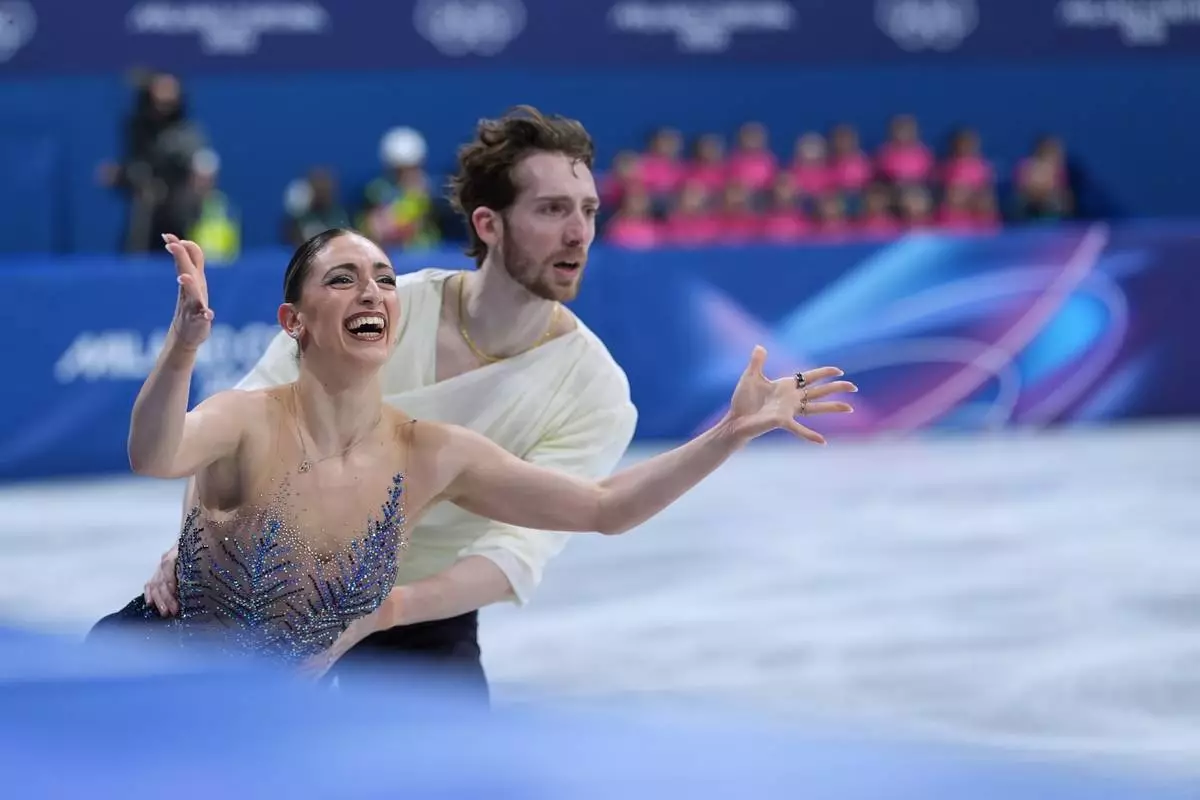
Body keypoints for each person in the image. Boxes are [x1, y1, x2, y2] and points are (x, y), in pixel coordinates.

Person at [88, 106, 847, 698]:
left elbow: (540, 540)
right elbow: (230, 430)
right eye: (552, 209)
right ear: (488, 223)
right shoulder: (380, 307)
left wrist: (373, 614)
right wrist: (195, 556)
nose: (579, 230)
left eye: (588, 209)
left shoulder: (583, 393)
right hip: (271, 576)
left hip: (419, 608)